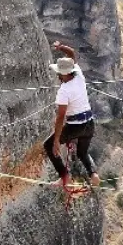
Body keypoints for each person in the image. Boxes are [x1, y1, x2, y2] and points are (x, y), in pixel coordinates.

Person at [44, 41, 101, 192]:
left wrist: (56, 140)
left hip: (75, 126)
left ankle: (65, 177)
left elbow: (60, 116)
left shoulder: (64, 90)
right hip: (89, 123)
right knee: (82, 152)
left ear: (63, 74)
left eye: (58, 73)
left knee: (48, 146)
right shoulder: (79, 75)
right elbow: (72, 54)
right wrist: (61, 47)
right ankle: (93, 174)